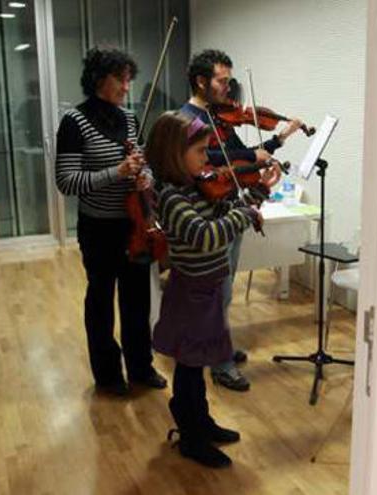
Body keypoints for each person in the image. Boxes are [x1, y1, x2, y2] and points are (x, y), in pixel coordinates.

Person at [180, 49, 303, 391]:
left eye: (229, 80)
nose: (228, 88)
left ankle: (218, 347)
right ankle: (220, 364)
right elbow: (212, 157)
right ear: (201, 81)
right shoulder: (186, 119)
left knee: (226, 291)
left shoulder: (219, 118)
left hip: (231, 210)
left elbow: (241, 162)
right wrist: (250, 154)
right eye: (222, 80)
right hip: (208, 216)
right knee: (218, 293)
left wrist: (279, 139)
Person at [147, 111, 262, 468]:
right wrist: (243, 215)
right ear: (173, 155)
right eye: (200, 152)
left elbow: (224, 208)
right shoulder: (172, 198)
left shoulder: (197, 188)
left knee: (198, 365)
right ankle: (191, 437)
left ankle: (202, 423)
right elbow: (206, 235)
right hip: (191, 294)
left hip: (207, 290)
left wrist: (254, 194)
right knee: (189, 368)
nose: (206, 159)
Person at [54, 48, 167, 396]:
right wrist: (115, 172)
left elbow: (143, 162)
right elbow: (67, 181)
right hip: (99, 229)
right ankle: (107, 374)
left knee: (137, 300)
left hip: (135, 225)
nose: (127, 87)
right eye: (121, 79)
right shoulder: (74, 121)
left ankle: (140, 367)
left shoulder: (130, 119)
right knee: (101, 300)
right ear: (99, 79)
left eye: (129, 79)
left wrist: (145, 175)